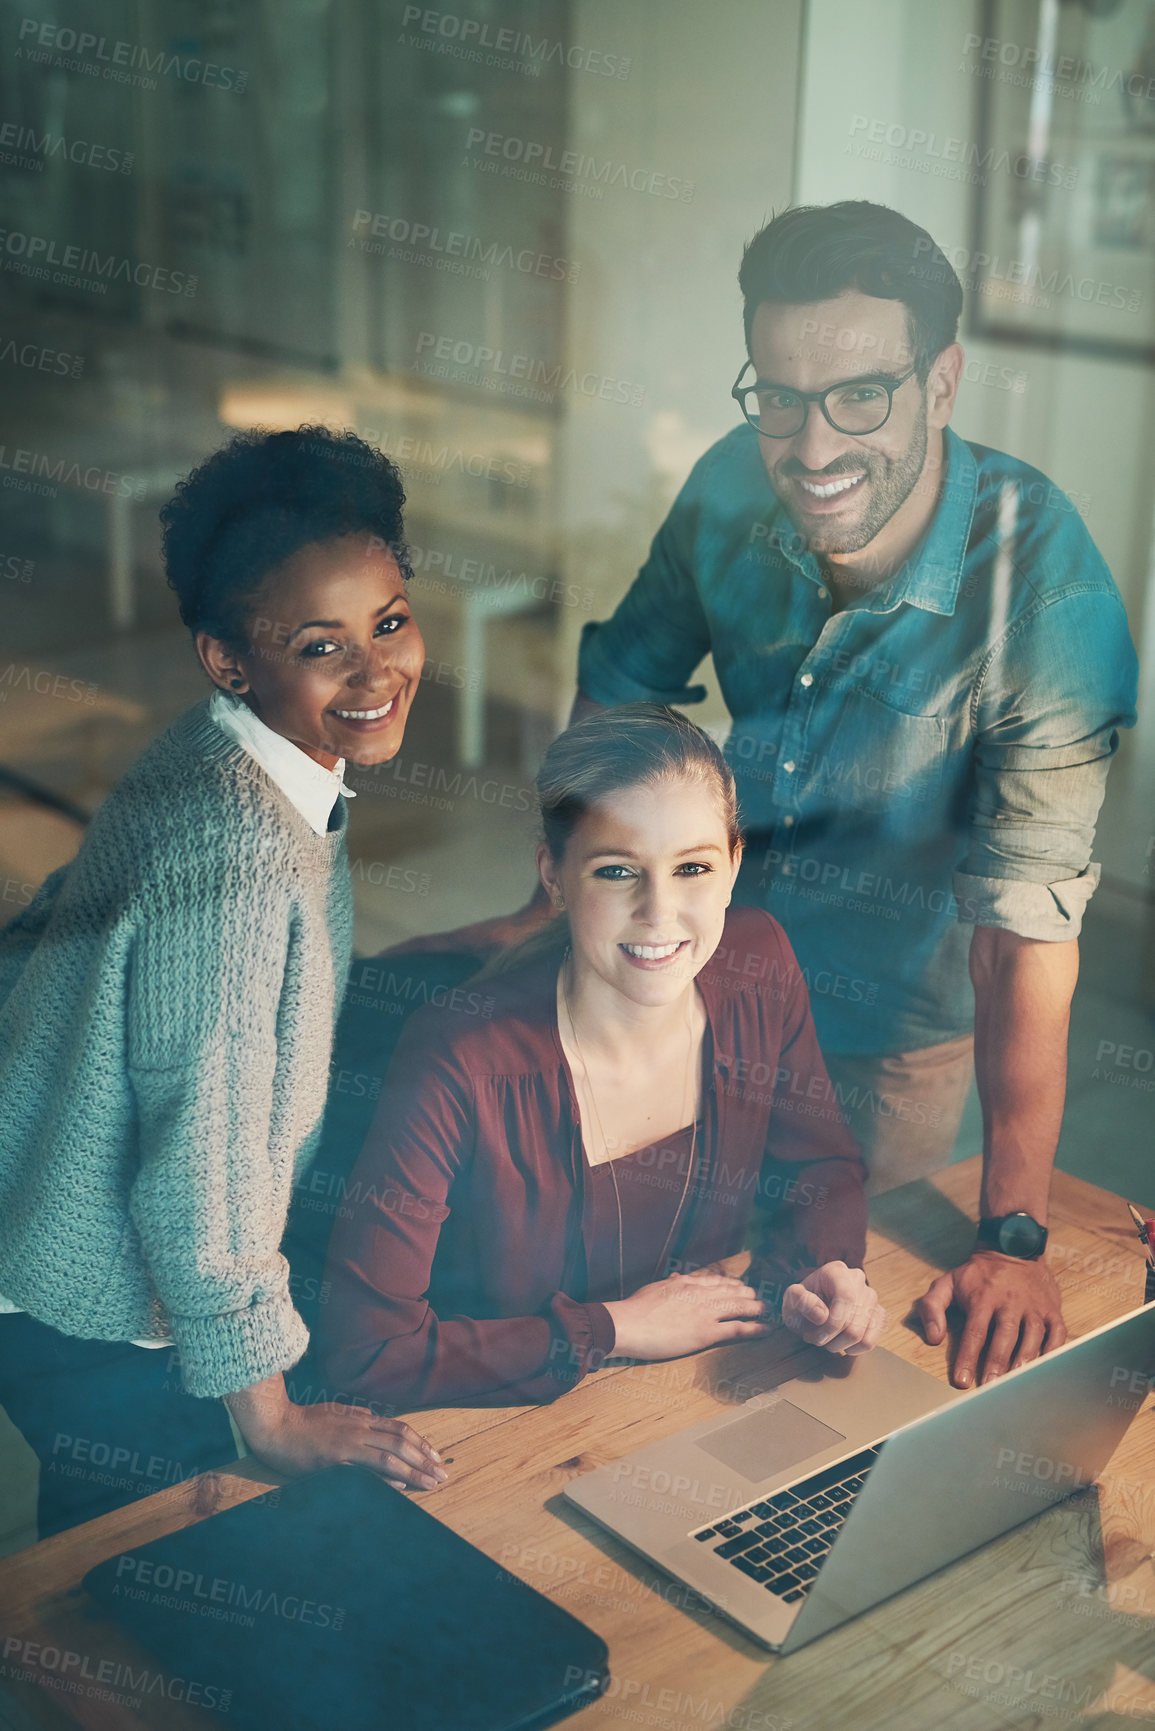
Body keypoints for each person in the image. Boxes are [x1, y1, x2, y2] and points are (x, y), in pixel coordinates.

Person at [399, 201, 1138, 1392]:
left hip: (887, 1024)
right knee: (643, 1312)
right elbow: (622, 694)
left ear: (941, 383)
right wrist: (554, 915)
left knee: (823, 1343)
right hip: (694, 963)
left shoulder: (1046, 596)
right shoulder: (733, 484)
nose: (810, 444)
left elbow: (1023, 934)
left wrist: (1011, 1234)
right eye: (781, 396)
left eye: (859, 395)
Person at [0, 424, 446, 1540]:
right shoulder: (244, 856)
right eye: (319, 645)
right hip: (93, 1304)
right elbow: (207, 1156)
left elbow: (62, 921)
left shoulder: (214, 751)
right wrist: (271, 1413)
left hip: (43, 1230)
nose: (375, 669)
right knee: (126, 1616)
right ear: (229, 659)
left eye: (388, 622)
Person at [318, 705, 883, 1409]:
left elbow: (821, 1169)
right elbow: (368, 1352)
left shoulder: (755, 962)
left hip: (695, 1390)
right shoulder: (456, 1057)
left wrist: (816, 1274)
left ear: (735, 862)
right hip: (504, 1424)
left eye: (693, 867)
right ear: (552, 875)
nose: (659, 911)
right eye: (617, 871)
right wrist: (613, 1328)